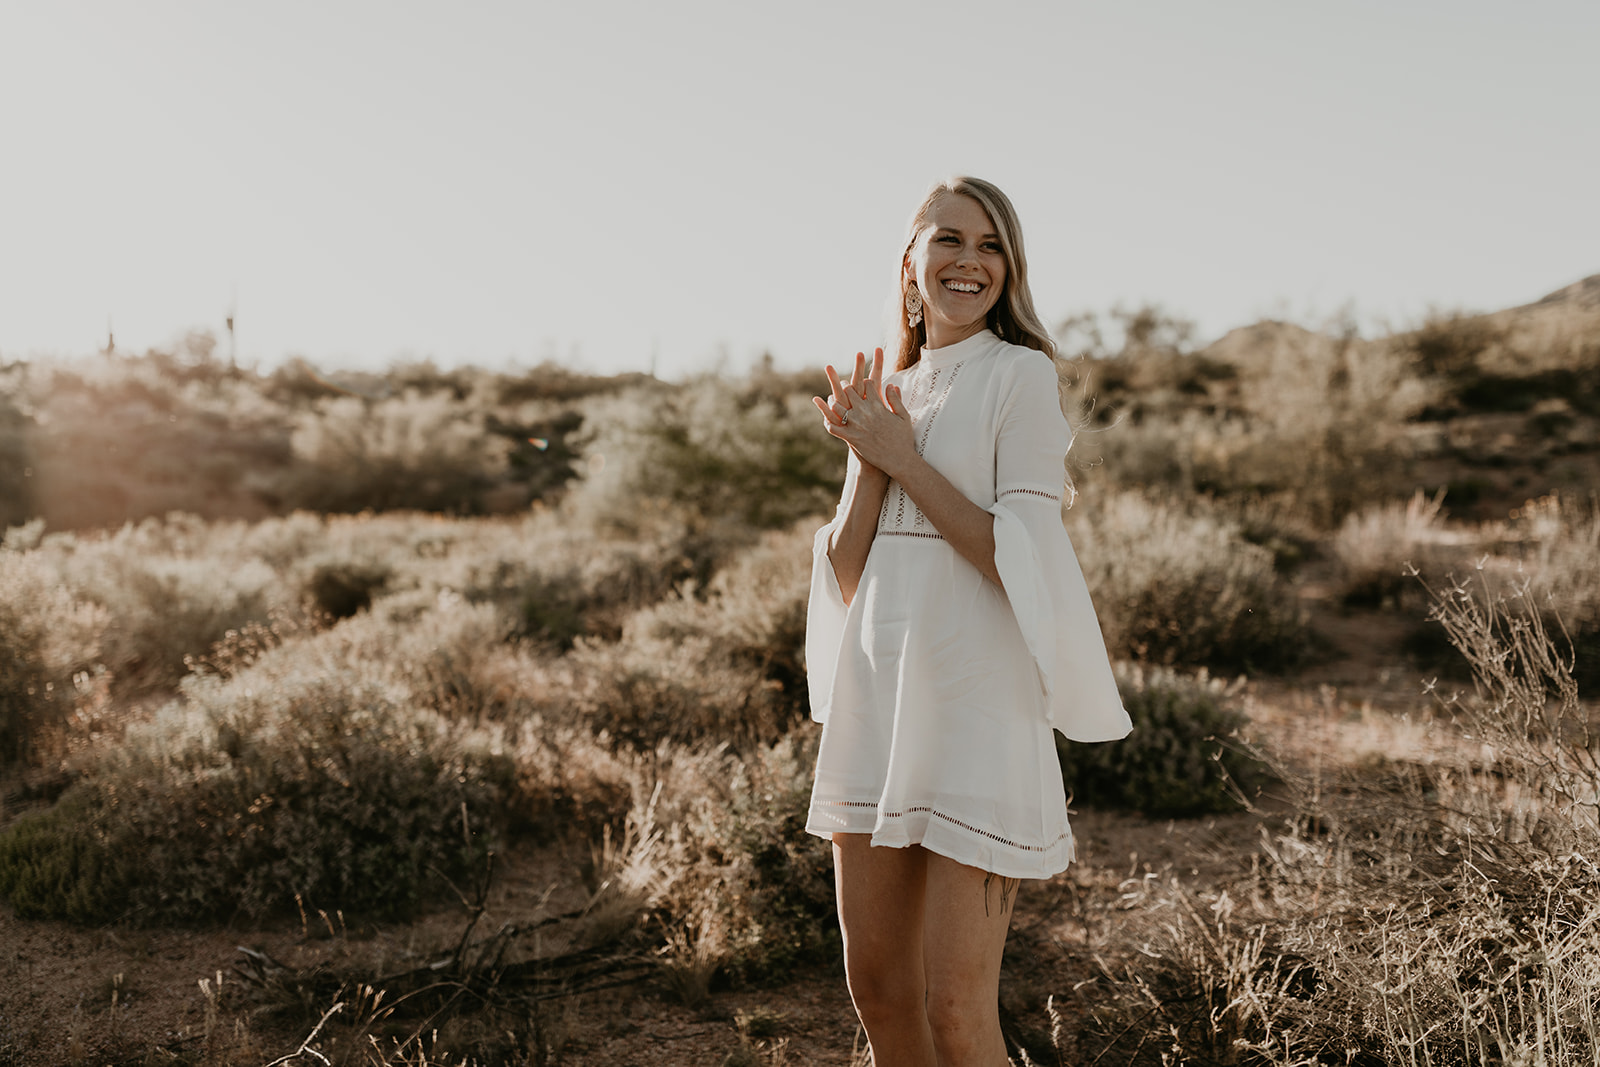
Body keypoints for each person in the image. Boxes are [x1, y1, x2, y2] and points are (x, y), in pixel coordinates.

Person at [804, 176, 1132, 1067]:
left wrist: (902, 457)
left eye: (992, 246)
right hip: (882, 697)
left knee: (956, 1011)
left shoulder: (1019, 376)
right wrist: (869, 458)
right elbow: (843, 569)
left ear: (1010, 269)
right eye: (949, 240)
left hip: (976, 704)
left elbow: (1015, 557)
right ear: (910, 261)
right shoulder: (891, 383)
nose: (970, 261)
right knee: (877, 991)